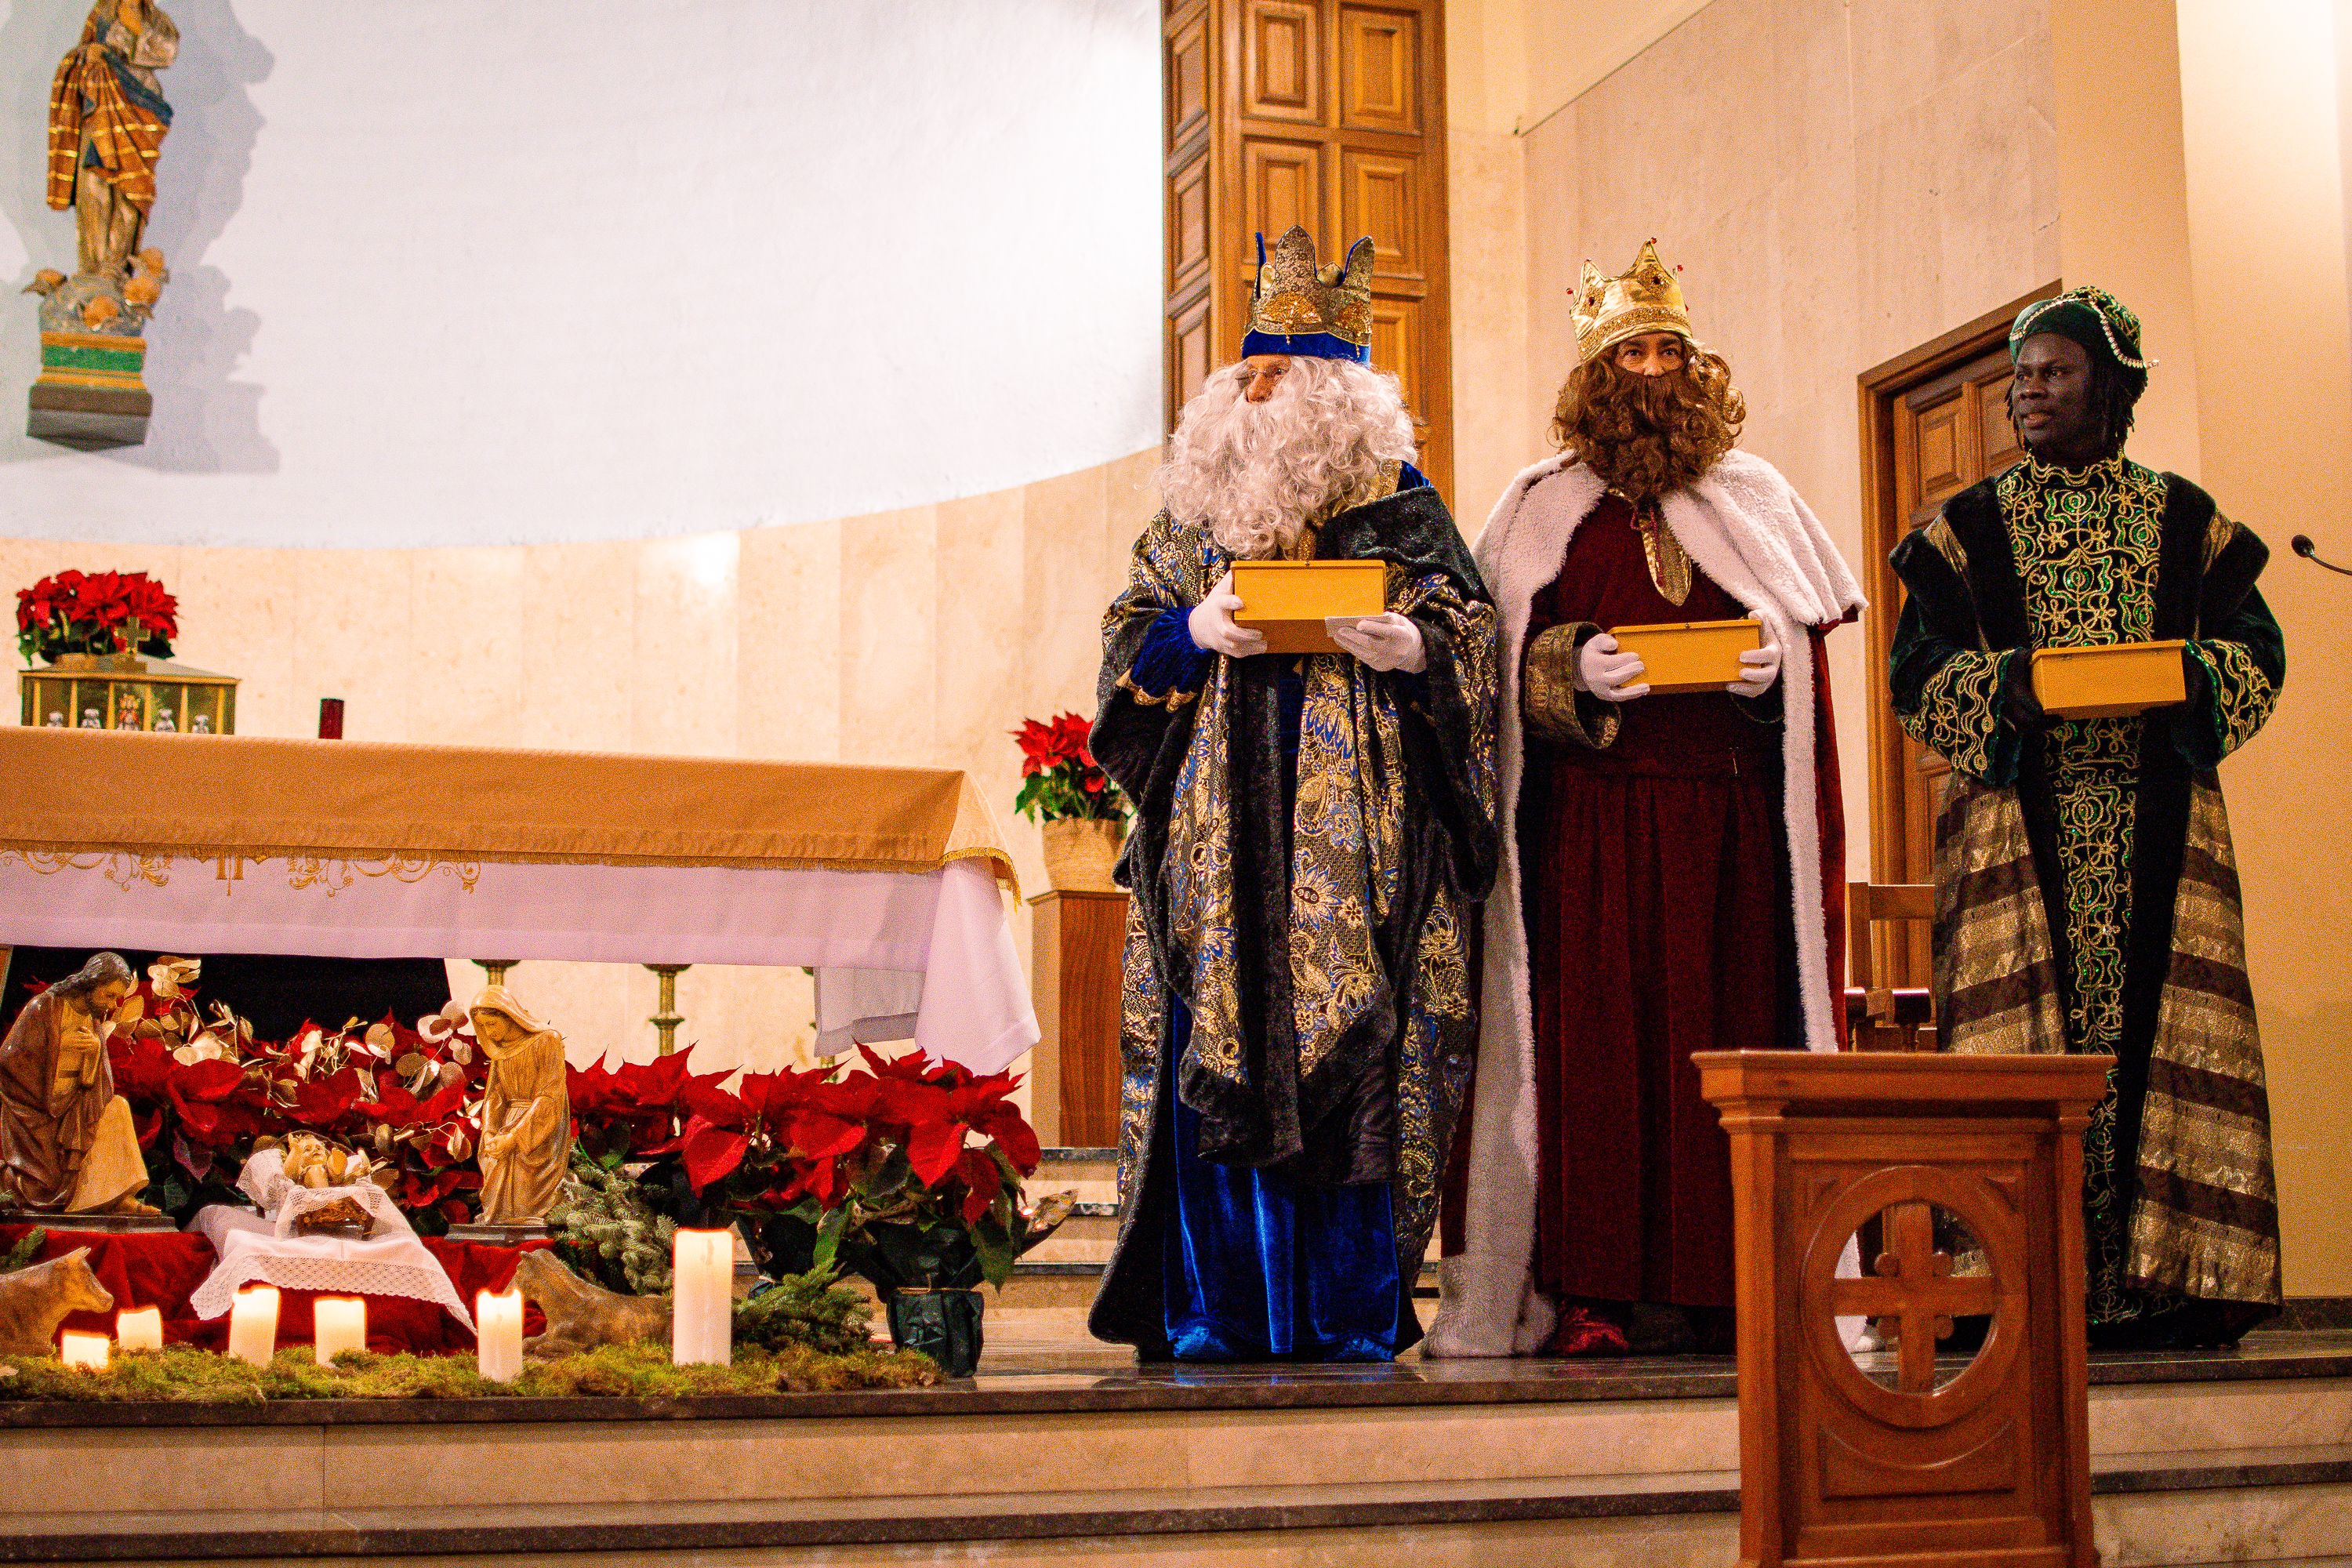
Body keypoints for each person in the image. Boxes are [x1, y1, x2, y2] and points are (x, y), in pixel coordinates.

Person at [1428, 241, 1863, 1359]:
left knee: (1727, 1051)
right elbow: (1484, 670)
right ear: (1594, 377)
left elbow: (1807, 656)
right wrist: (1563, 671)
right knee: (1600, 1059)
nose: (1654, 370)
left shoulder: (1754, 497)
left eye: (1670, 349)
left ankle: (1728, 1278)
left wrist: (1777, 676)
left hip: (1728, 837)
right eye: (1631, 352)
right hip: (1596, 833)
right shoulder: (1542, 509)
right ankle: (1595, 1290)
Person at [1085, 225, 1500, 1363]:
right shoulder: (1191, 516)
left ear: (1335, 397)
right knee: (1211, 1045)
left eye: (1279, 376)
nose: (1256, 393)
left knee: (1356, 1053)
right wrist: (1189, 631)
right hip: (1215, 843)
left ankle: (1345, 1308)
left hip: (1356, 853)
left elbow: (1470, 635)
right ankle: (1214, 1308)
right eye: (1247, 375)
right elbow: (1125, 642)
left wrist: (1414, 651)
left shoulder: (1405, 512)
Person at [1889, 286, 2285, 1348]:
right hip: (2018, 826)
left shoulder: (2189, 520)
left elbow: (2260, 654)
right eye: (2022, 374)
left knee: (2159, 1030)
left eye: (2055, 372)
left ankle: (2172, 1283)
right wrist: (2005, 689)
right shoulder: (1965, 531)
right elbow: (1913, 671)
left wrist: (2190, 679)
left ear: (2112, 387)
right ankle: (2017, 1280)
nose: (2029, 390)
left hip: (2162, 822)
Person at [0, 950, 157, 1214]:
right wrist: (59, 1048)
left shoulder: (92, 1019)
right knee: (44, 1180)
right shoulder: (45, 1007)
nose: (111, 1005)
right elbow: (9, 1059)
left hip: (75, 1104)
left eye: (116, 998)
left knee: (116, 1107)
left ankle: (116, 1198)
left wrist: (95, 1052)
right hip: (35, 1109)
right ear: (90, 983)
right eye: (108, 995)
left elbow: (103, 1086)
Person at [47, 0, 178, 280]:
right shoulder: (101, 15)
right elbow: (82, 53)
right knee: (93, 183)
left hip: (142, 103)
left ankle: (115, 269)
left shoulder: (158, 21)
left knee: (132, 190)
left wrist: (121, 51)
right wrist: (90, 54)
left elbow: (167, 53)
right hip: (102, 100)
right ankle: (92, 270)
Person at [470, 988, 572, 1225]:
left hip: (537, 1129)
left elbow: (550, 1096)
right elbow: (495, 1096)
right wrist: (489, 1131)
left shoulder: (547, 1040)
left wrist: (515, 1138)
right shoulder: (500, 1050)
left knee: (526, 1192)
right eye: (482, 1027)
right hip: (507, 1124)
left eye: (492, 1024)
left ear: (509, 1016)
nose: (488, 1032)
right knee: (495, 1169)